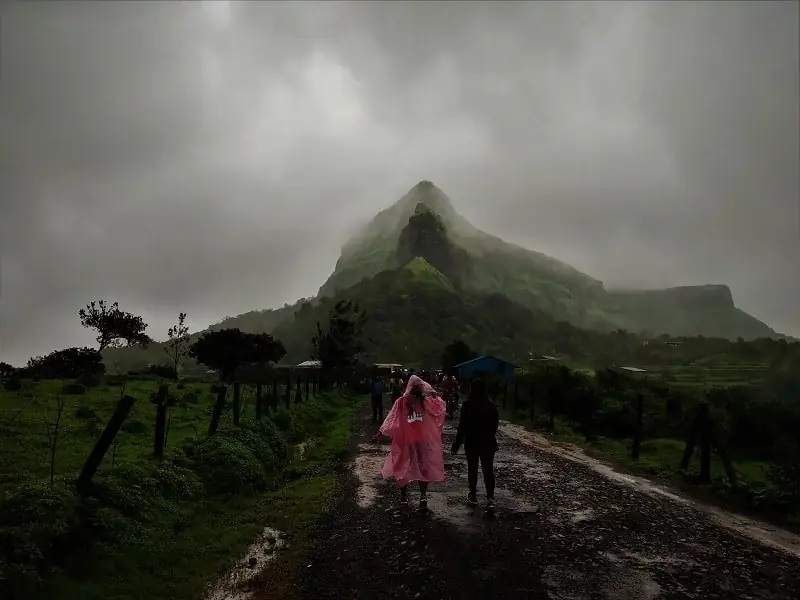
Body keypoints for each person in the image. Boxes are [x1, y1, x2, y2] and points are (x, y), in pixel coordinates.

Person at [373, 374, 446, 511]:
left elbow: (391, 419)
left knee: (402, 466)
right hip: (422, 440)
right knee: (423, 466)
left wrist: (380, 433)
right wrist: (434, 394)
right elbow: (440, 407)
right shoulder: (424, 401)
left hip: (405, 440)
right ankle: (422, 496)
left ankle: (404, 496)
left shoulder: (403, 402)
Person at [451, 377, 499, 512]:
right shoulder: (491, 405)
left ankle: (473, 495)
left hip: (472, 441)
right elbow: (495, 426)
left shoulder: (467, 405)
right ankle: (490, 499)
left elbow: (462, 426)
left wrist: (457, 444)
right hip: (488, 441)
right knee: (488, 470)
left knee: (472, 468)